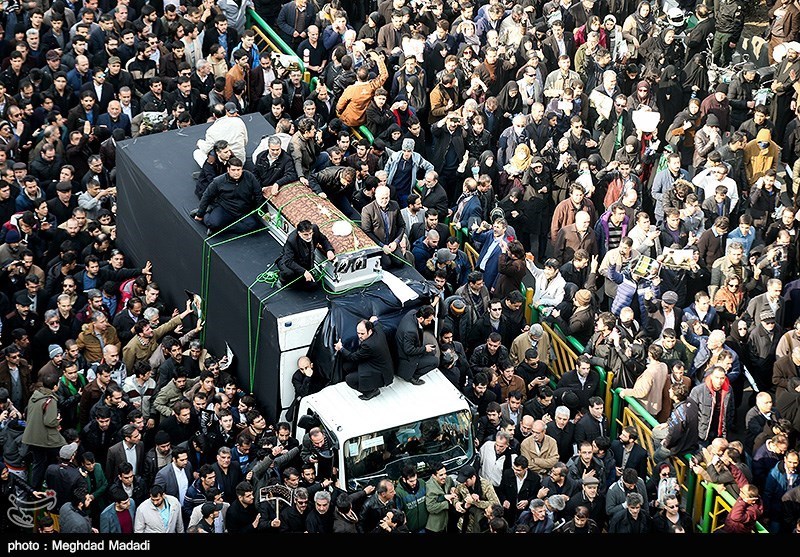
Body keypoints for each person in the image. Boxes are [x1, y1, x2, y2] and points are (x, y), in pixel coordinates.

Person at [194, 157, 268, 233]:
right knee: (213, 224)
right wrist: (200, 214)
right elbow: (207, 196)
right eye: (233, 170)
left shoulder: (249, 176)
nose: (236, 172)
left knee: (252, 225)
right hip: (225, 209)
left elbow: (258, 194)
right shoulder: (219, 181)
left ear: (242, 169)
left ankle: (222, 230)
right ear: (228, 169)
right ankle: (207, 214)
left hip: (243, 210)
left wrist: (265, 212)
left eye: (238, 170)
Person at [334, 316, 394, 400]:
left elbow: (353, 357)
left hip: (379, 372)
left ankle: (371, 391)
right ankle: (361, 377)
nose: (359, 336)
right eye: (358, 333)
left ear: (369, 331)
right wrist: (373, 320)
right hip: (380, 364)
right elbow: (375, 321)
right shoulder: (378, 330)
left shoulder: (368, 345)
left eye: (362, 334)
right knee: (347, 366)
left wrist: (341, 348)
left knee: (349, 380)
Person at [276, 220, 335, 289]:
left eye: (310, 233)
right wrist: (304, 272)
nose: (309, 237)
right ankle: (281, 279)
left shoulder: (315, 229)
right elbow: (288, 261)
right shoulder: (291, 241)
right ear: (299, 233)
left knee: (312, 286)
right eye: (305, 234)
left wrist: (329, 250)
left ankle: (298, 280)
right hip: (289, 261)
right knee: (289, 273)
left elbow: (323, 240)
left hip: (304, 262)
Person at [395, 305, 438, 385]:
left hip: (407, 347)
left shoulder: (412, 313)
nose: (430, 323)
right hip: (406, 358)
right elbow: (408, 350)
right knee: (435, 361)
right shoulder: (411, 331)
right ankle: (413, 376)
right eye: (428, 320)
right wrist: (424, 349)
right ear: (421, 318)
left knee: (432, 352)